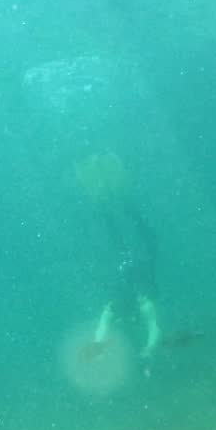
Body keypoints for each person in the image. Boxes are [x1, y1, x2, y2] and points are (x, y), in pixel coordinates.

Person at [73, 151, 162, 358]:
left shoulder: (121, 306)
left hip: (137, 264)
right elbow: (153, 328)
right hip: (138, 264)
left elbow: (102, 332)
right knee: (139, 241)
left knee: (139, 241)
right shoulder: (137, 304)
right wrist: (148, 349)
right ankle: (112, 209)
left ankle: (110, 209)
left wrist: (99, 347)